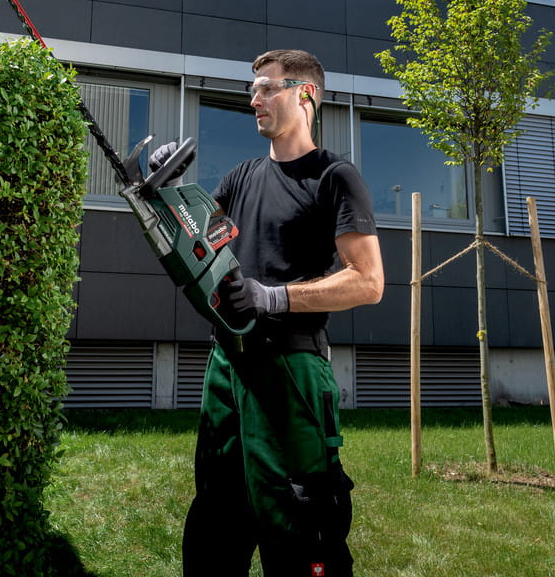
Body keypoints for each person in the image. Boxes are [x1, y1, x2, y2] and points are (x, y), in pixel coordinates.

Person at [153, 49, 384, 577]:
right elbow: (201, 247)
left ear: (305, 94)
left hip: (291, 368)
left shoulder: (335, 177)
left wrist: (273, 297)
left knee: (298, 520)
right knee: (216, 515)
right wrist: (167, 191)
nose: (253, 100)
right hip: (226, 366)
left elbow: (368, 281)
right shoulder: (240, 178)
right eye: (252, 90)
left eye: (266, 88)